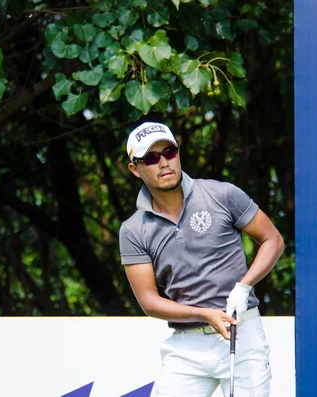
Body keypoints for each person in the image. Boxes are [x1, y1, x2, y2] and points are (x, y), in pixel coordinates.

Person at [119, 121, 285, 397]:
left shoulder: (222, 195)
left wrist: (244, 286)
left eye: (169, 152)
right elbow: (149, 301)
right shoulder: (133, 230)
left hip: (241, 335)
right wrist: (203, 314)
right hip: (187, 346)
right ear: (135, 169)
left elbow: (273, 240)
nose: (163, 163)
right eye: (151, 158)